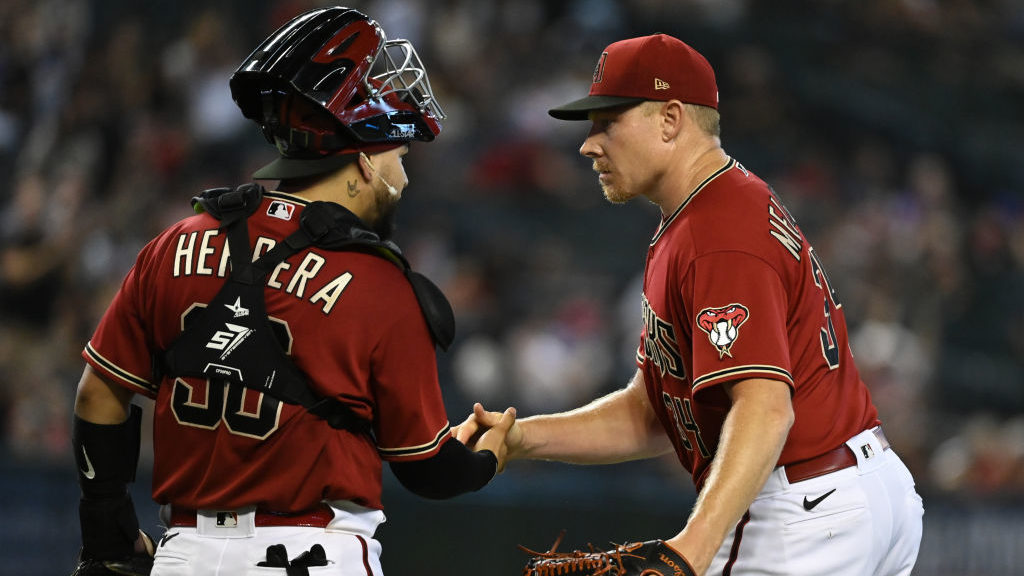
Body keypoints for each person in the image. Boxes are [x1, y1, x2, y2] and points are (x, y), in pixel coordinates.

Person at [70, 7, 515, 576]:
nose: (403, 178)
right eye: (398, 158)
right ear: (362, 160)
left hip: (184, 554)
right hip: (314, 557)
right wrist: (486, 458)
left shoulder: (173, 245)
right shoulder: (380, 284)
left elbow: (96, 398)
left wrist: (107, 534)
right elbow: (427, 468)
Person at [457, 34, 923, 576]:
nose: (589, 144)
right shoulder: (711, 211)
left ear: (671, 119)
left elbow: (766, 408)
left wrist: (689, 553)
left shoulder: (716, 230)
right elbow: (654, 412)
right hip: (850, 493)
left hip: (803, 507)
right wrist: (522, 438)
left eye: (608, 121)